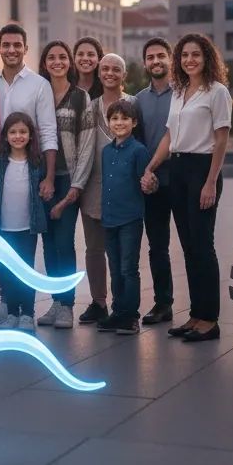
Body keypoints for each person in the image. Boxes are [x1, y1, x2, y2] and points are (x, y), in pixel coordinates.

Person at [142, 33, 232, 343]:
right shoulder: (179, 92)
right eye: (185, 55)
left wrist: (210, 182)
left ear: (207, 58)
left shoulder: (217, 92)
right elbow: (169, 136)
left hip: (201, 169)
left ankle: (210, 320)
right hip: (178, 169)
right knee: (189, 247)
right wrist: (152, 165)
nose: (190, 60)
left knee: (203, 247)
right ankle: (195, 315)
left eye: (196, 54)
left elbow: (221, 139)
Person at [0, 23, 57, 325]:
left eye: (17, 45)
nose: (12, 50)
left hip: (30, 168)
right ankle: (8, 306)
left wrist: (49, 176)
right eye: (6, 45)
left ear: (25, 48)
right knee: (1, 243)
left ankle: (24, 310)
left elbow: (48, 130)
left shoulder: (39, 84)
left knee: (25, 245)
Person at [36, 40, 95, 329]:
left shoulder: (80, 97)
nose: (57, 62)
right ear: (44, 63)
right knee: (47, 244)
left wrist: (77, 185)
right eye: (51, 57)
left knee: (63, 242)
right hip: (42, 179)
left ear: (69, 62)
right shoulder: (40, 92)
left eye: (62, 57)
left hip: (67, 180)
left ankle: (67, 305)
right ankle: (56, 302)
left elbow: (86, 145)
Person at [77, 53, 140, 325]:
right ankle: (99, 302)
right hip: (93, 185)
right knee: (94, 248)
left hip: (124, 190)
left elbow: (142, 145)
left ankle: (125, 309)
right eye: (105, 69)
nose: (110, 73)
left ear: (123, 75)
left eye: (116, 69)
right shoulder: (90, 106)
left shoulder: (134, 104)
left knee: (123, 256)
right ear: (99, 73)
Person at [0, 112, 47, 333]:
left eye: (23, 132)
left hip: (26, 227)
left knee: (25, 269)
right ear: (5, 136)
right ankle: (12, 312)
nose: (18, 136)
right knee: (6, 271)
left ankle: (28, 314)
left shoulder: (36, 163)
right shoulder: (0, 163)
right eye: (13, 132)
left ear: (31, 135)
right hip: (3, 227)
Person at [98, 99, 151, 336]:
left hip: (130, 218)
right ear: (108, 122)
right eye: (114, 118)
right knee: (115, 267)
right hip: (109, 218)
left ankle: (131, 317)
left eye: (124, 118)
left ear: (134, 122)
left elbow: (147, 183)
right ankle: (118, 312)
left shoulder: (139, 151)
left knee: (129, 268)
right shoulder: (106, 152)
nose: (119, 123)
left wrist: (152, 184)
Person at [133, 36, 175, 326]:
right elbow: (136, 142)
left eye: (161, 55)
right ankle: (164, 304)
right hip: (152, 183)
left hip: (183, 178)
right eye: (151, 57)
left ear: (170, 59)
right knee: (157, 246)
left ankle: (201, 309)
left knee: (193, 245)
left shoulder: (185, 93)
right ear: (146, 63)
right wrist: (144, 176)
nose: (156, 61)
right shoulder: (138, 100)